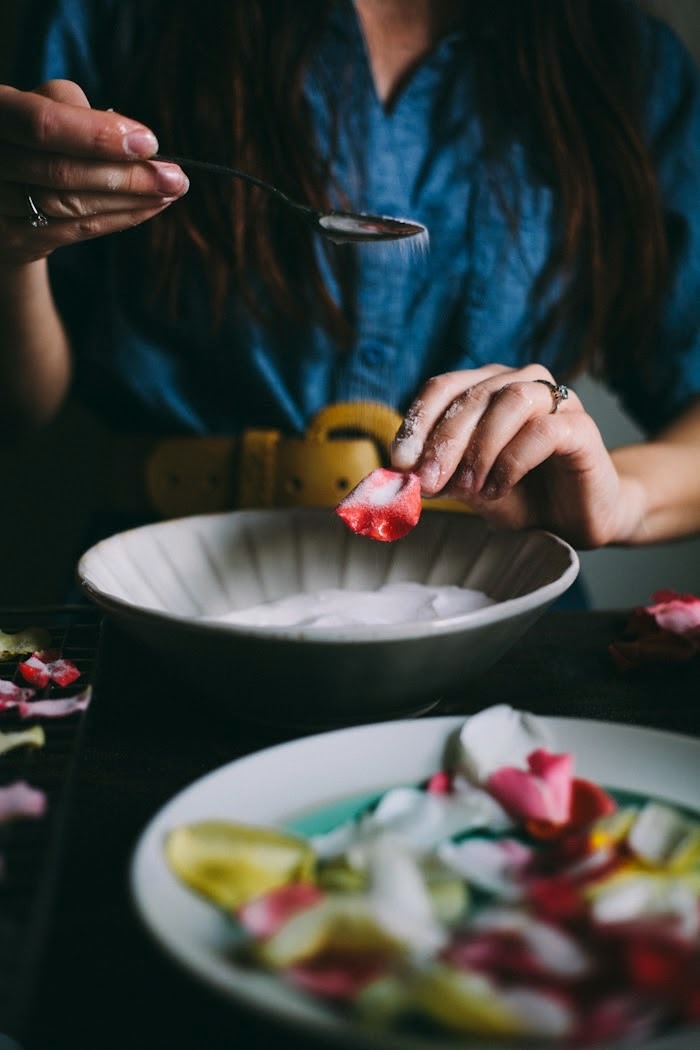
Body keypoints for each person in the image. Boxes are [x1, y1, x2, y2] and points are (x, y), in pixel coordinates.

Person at [1, 0, 699, 574]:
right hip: (167, 594)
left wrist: (626, 498)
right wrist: (11, 249)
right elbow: (21, 410)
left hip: (495, 612)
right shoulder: (113, 19)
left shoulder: (627, 66)